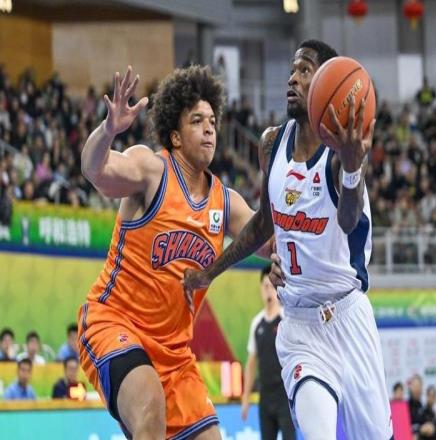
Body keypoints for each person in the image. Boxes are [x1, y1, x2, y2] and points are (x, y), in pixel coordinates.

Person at [184, 39, 393, 439]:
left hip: (347, 316)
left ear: (327, 83)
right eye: (293, 69)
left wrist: (353, 169)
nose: (292, 78)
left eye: (305, 70)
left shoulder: (342, 155)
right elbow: (265, 223)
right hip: (298, 324)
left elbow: (349, 220)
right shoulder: (271, 143)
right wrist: (211, 271)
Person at [78, 64, 265, 440]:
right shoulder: (151, 170)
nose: (209, 128)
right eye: (197, 120)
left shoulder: (226, 202)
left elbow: (273, 238)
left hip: (175, 353)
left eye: (212, 120)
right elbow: (95, 170)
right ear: (175, 136)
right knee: (150, 407)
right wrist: (108, 130)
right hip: (114, 323)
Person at [241, 265, 295, 440]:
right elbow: (251, 363)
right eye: (265, 286)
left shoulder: (287, 319)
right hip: (265, 398)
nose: (268, 291)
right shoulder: (256, 324)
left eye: (271, 286)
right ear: (260, 289)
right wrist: (245, 399)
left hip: (285, 396)